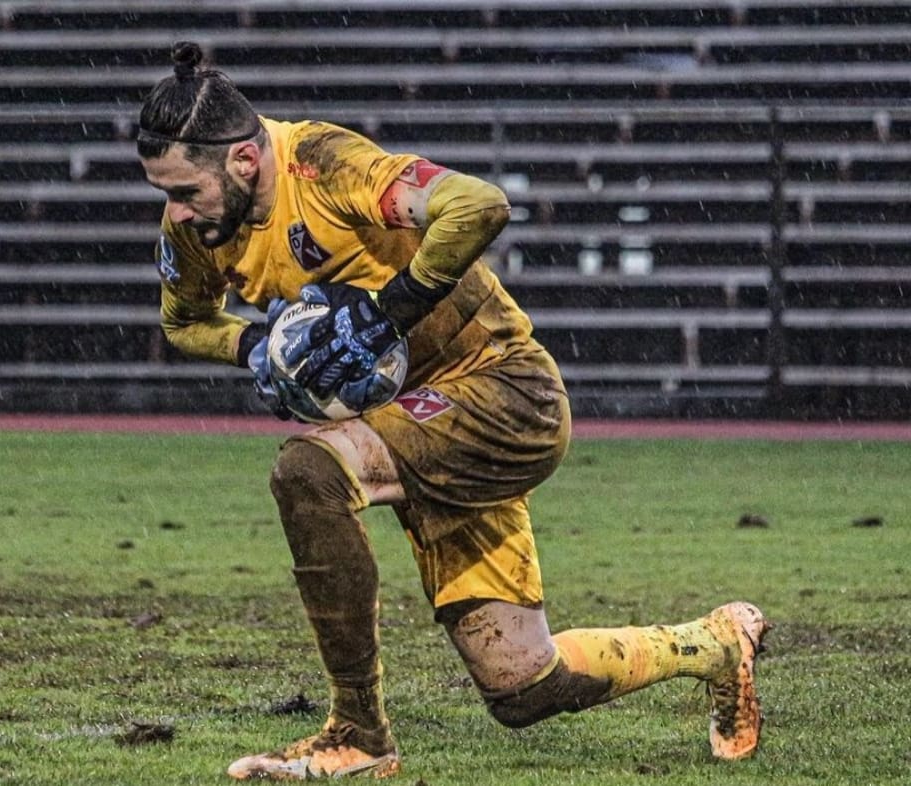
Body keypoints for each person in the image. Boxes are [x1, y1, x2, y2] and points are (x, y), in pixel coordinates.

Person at [137, 41, 770, 780]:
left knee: (309, 469)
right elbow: (183, 322)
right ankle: (717, 643)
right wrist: (256, 343)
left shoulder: (324, 164)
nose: (175, 211)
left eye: (184, 191)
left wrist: (388, 312)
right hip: (417, 420)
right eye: (164, 194)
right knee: (525, 688)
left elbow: (478, 203)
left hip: (504, 392)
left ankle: (358, 734)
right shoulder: (196, 228)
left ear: (244, 162)